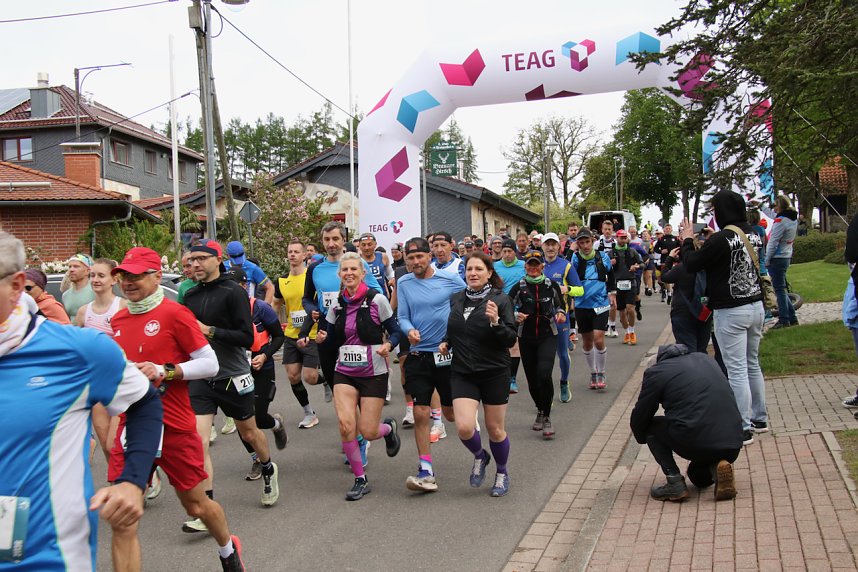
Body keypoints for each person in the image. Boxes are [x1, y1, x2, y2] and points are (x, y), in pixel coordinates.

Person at [0, 233, 165, 572]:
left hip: (45, 557)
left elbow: (144, 401)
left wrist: (132, 482)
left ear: (17, 285)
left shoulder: (79, 350)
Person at [106, 246, 248, 572]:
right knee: (122, 514)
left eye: (137, 275)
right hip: (133, 426)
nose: (128, 282)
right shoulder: (118, 319)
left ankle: (228, 550)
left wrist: (165, 370)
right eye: (124, 276)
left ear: (157, 277)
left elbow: (209, 364)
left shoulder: (175, 313)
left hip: (173, 424)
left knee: (196, 505)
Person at [183, 240, 280, 527]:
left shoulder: (232, 293)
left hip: (232, 374)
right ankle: (206, 506)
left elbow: (247, 339)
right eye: (192, 260)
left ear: (217, 260)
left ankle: (268, 468)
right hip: (202, 375)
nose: (195, 264)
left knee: (249, 433)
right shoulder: (189, 296)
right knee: (199, 442)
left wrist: (209, 330)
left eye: (201, 259)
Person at [679, 190, 766, 445]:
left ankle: (743, 426)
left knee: (735, 368)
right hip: (756, 305)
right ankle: (760, 418)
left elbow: (692, 263)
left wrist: (686, 240)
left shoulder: (721, 239)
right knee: (752, 363)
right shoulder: (754, 234)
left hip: (731, 310)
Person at [315, 252, 402, 500]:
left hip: (374, 371)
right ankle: (360, 478)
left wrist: (389, 345)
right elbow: (330, 336)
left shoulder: (377, 300)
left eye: (354, 269)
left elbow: (395, 331)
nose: (349, 273)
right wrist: (322, 338)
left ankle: (387, 429)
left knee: (369, 430)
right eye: (345, 270)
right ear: (340, 275)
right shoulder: (337, 304)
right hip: (345, 371)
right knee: (346, 426)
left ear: (363, 273)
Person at [301, 221, 384, 465]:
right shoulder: (315, 268)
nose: (331, 244)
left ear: (343, 238)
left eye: (335, 239)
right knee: (341, 390)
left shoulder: (357, 264)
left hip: (357, 335)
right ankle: (352, 433)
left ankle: (361, 439)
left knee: (358, 390)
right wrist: (313, 309)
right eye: (327, 239)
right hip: (328, 335)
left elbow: (379, 294)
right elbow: (308, 299)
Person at [441, 251, 517, 496]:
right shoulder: (456, 299)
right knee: (463, 427)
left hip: (494, 372)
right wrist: (447, 342)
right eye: (469, 269)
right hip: (463, 371)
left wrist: (496, 322)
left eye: (478, 269)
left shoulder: (501, 300)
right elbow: (455, 328)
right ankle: (480, 456)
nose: (472, 273)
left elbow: (510, 337)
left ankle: (502, 472)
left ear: (489, 273)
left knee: (495, 429)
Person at [630, 344, 743, 502]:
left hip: (695, 440)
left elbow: (641, 414)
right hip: (733, 443)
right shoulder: (706, 359)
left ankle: (674, 481)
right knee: (698, 479)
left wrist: (642, 436)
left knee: (651, 426)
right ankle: (718, 467)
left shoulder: (657, 372)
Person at [397, 237, 466, 492]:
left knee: (450, 415)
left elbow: (468, 302)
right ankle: (426, 470)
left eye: (419, 257)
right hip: (419, 355)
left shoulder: (449, 279)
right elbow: (402, 316)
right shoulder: (404, 283)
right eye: (410, 259)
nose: (415, 262)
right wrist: (409, 329)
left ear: (429, 256)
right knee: (420, 411)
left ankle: (479, 450)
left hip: (446, 353)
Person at [228, 267, 289, 482]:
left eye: (234, 285)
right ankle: (257, 459)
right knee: (242, 421)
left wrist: (264, 356)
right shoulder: (224, 312)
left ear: (244, 286)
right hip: (237, 369)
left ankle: (276, 424)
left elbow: (279, 337)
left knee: (259, 417)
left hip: (261, 366)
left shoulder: (261, 308)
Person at [508, 251, 567, 438]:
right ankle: (540, 410)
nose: (533, 268)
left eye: (536, 265)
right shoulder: (519, 287)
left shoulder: (551, 285)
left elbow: (560, 306)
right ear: (525, 267)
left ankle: (548, 417)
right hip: (525, 336)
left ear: (542, 267)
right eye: (529, 265)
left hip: (548, 335)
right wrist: (516, 316)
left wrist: (560, 314)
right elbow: (508, 308)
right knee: (532, 378)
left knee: (544, 373)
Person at [273, 239, 329, 430]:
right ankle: (309, 413)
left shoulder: (312, 277)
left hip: (312, 334)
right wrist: (270, 325)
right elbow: (276, 304)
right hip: (291, 334)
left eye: (297, 251)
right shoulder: (281, 281)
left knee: (311, 377)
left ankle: (326, 380)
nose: (292, 255)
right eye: (290, 251)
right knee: (293, 376)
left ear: (306, 255)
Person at [570, 228, 616, 390]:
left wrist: (612, 293)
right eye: (581, 243)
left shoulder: (602, 256)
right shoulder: (575, 259)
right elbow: (570, 278)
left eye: (587, 242)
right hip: (583, 304)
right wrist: (572, 299)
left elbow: (611, 275)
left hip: (601, 303)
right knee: (588, 342)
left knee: (598, 339)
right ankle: (593, 372)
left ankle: (602, 371)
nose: (585, 246)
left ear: (592, 241)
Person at [541, 233, 584, 403]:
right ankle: (545, 390)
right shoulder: (537, 265)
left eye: (553, 245)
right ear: (542, 246)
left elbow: (580, 290)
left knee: (562, 354)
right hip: (541, 318)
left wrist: (567, 289)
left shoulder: (566, 266)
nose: (550, 248)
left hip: (560, 317)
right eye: (547, 245)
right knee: (544, 357)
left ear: (559, 247)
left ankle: (564, 383)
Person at [661, 244, 713, 353]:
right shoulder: (710, 268)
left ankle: (691, 368)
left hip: (683, 311)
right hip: (704, 310)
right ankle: (701, 367)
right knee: (701, 348)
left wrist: (669, 259)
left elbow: (665, 277)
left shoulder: (682, 267)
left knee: (687, 348)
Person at [494, 239, 526, 394]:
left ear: (515, 252)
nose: (506, 254)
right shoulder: (495, 267)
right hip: (499, 309)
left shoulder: (523, 266)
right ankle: (500, 375)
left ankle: (512, 378)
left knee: (514, 346)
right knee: (499, 345)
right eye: (504, 251)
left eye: (509, 251)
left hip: (517, 309)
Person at [767, 195, 799, 329]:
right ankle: (792, 318)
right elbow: (773, 215)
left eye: (775, 206)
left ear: (779, 206)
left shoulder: (780, 221)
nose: (773, 208)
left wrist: (767, 258)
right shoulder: (791, 218)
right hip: (786, 255)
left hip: (777, 257)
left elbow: (773, 242)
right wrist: (760, 206)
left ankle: (784, 319)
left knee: (779, 290)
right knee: (782, 288)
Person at [612, 230, 643, 345]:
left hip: (631, 282)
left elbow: (642, 263)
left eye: (625, 238)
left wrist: (637, 266)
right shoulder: (611, 253)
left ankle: (632, 332)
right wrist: (609, 263)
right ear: (617, 238)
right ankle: (626, 332)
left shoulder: (632, 251)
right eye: (621, 238)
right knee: (621, 311)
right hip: (617, 283)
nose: (623, 240)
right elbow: (603, 267)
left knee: (630, 308)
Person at [597, 220, 619, 337]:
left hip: (613, 276)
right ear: (602, 230)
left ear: (612, 230)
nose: (607, 232)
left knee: (613, 303)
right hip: (600, 277)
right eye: (605, 229)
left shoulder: (616, 243)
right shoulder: (597, 244)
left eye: (609, 229)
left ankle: (613, 325)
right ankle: (604, 324)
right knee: (601, 302)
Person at [358, 232, 395, 299]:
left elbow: (389, 273)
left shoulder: (382, 256)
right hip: (363, 299)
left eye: (369, 244)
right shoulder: (357, 260)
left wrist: (392, 279)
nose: (366, 248)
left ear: (375, 245)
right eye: (363, 245)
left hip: (382, 296)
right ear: (359, 246)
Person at [653, 224, 681, 304]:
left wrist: (678, 254)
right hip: (664, 260)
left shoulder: (675, 238)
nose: (668, 230)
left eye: (669, 228)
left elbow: (680, 248)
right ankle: (668, 292)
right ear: (664, 230)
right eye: (666, 229)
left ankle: (675, 291)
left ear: (671, 229)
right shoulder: (661, 239)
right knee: (665, 276)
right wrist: (661, 251)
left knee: (675, 276)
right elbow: (655, 248)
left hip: (674, 260)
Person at [62, 253, 96, 319]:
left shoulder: (96, 291)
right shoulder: (65, 295)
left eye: (76, 266)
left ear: (87, 271)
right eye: (70, 267)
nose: (71, 270)